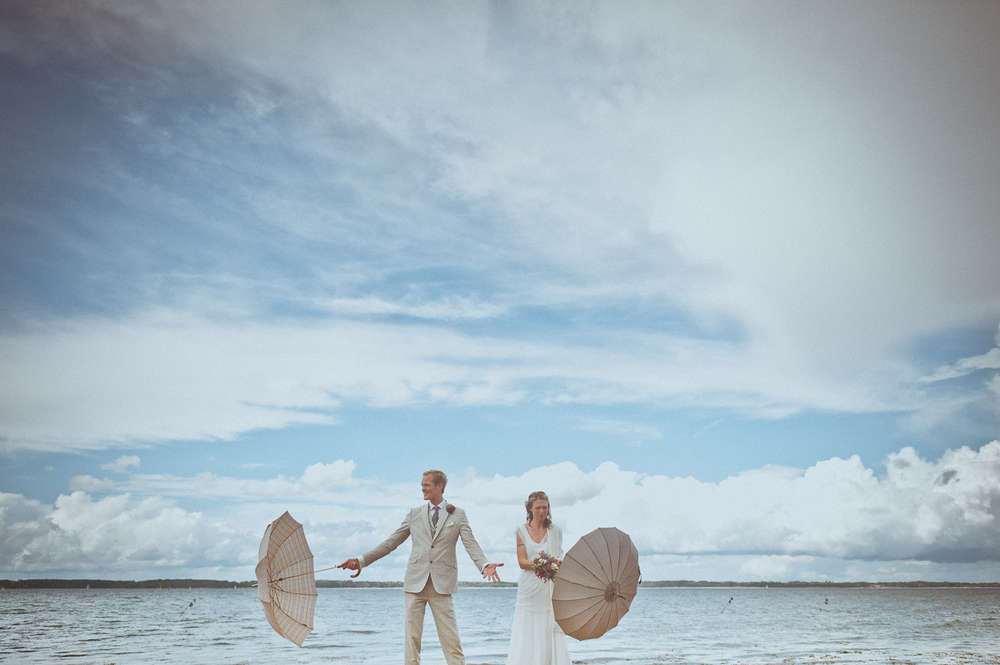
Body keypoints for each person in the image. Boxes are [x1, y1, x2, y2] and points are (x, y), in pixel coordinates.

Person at [338, 469, 503, 665]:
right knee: (412, 639)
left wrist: (484, 564)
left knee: (451, 639)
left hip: (442, 586)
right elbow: (391, 543)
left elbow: (470, 543)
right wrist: (361, 560)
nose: (422, 487)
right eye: (422, 484)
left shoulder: (458, 514)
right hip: (414, 584)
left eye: (426, 484)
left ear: (439, 486)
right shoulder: (414, 514)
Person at [506, 490, 570, 665]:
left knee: (548, 626)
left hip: (549, 587)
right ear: (530, 509)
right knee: (528, 628)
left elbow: (559, 558)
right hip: (529, 588)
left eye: (545, 507)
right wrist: (542, 564)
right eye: (538, 508)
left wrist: (556, 564)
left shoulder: (555, 530)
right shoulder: (521, 531)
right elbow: (522, 562)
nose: (542, 511)